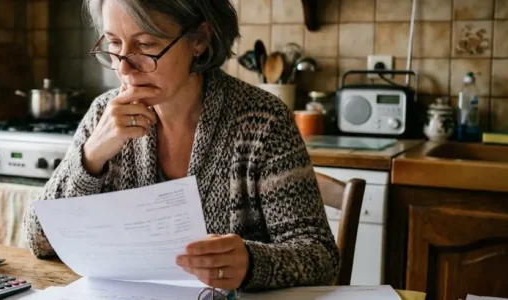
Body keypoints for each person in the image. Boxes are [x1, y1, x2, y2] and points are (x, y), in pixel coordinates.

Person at [23, 0, 338, 292]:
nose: (123, 68)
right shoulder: (103, 115)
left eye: (146, 45)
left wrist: (252, 263)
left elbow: (321, 257)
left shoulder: (261, 121)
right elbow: (39, 240)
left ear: (199, 39)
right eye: (114, 44)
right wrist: (91, 156)